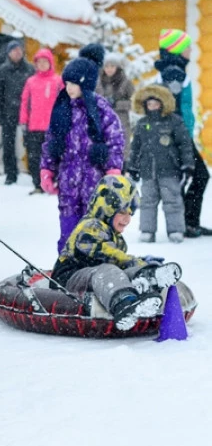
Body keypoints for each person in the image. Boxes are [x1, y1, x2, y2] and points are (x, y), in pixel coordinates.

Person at [50, 174, 180, 332]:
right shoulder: (90, 226)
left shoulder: (116, 237)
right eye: (123, 212)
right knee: (110, 270)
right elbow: (106, 253)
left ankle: (147, 281)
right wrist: (132, 261)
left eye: (130, 214)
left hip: (95, 277)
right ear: (107, 208)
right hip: (68, 278)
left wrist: (140, 266)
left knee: (122, 271)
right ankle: (125, 303)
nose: (127, 219)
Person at [40, 52, 125, 252]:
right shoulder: (62, 108)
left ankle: (93, 271)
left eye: (73, 84)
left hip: (94, 182)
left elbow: (115, 140)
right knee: (68, 233)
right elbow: (51, 140)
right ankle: (67, 271)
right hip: (68, 181)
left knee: (94, 234)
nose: (68, 88)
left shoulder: (100, 109)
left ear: (85, 84)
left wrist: (113, 168)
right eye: (66, 83)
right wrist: (47, 168)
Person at [154, 28, 211, 238]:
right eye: (187, 47)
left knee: (193, 177)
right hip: (178, 137)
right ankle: (187, 223)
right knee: (199, 176)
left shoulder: (172, 70)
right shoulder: (174, 74)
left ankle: (187, 222)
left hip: (178, 135)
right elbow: (172, 108)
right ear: (176, 49)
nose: (190, 50)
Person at [127, 85, 192, 244]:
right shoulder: (142, 124)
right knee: (148, 201)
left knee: (173, 201)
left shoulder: (174, 121)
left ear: (163, 104)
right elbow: (135, 147)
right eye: (149, 105)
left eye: (156, 104)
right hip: (148, 170)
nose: (153, 107)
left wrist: (187, 165)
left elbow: (184, 144)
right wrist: (132, 166)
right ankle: (147, 230)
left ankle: (175, 229)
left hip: (169, 169)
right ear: (145, 106)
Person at [0, 39, 34, 185]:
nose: (17, 52)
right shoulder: (2, 70)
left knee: (32, 144)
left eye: (19, 49)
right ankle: (10, 173)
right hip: (8, 112)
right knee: (8, 144)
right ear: (9, 53)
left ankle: (34, 172)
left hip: (27, 113)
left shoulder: (29, 69)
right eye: (14, 50)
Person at [18, 48, 63, 195]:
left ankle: (54, 183)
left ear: (50, 63)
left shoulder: (57, 81)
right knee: (34, 156)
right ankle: (38, 184)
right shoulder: (31, 82)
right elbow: (25, 102)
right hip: (34, 126)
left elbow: (64, 102)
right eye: (39, 62)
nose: (42, 65)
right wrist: (23, 121)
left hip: (53, 126)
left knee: (54, 156)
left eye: (45, 62)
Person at [97, 53, 135, 160]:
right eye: (106, 66)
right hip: (103, 120)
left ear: (117, 67)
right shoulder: (98, 83)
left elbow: (134, 102)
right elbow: (93, 101)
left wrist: (117, 104)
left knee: (121, 147)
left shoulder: (125, 83)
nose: (109, 69)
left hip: (121, 120)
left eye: (112, 66)